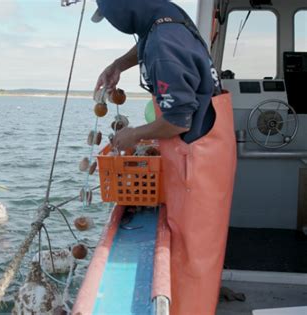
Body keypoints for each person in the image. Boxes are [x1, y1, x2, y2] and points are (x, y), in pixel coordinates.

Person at [92, 1, 237, 315]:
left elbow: (178, 121)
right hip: (207, 148)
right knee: (201, 248)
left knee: (193, 251)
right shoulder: (164, 15)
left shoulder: (161, 46)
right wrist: (120, 63)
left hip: (196, 159)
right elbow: (150, 38)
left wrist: (133, 134)